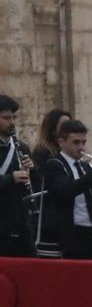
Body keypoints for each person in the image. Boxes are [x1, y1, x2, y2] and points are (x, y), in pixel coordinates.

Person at [38, 119, 92, 260]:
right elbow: (67, 190)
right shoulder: (54, 165)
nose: (81, 147)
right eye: (76, 142)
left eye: (84, 142)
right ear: (61, 142)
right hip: (74, 234)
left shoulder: (87, 167)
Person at [0, 95, 35, 257]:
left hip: (19, 221)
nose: (12, 122)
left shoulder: (22, 147)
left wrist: (31, 171)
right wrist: (11, 178)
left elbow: (32, 186)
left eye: (14, 117)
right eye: (6, 118)